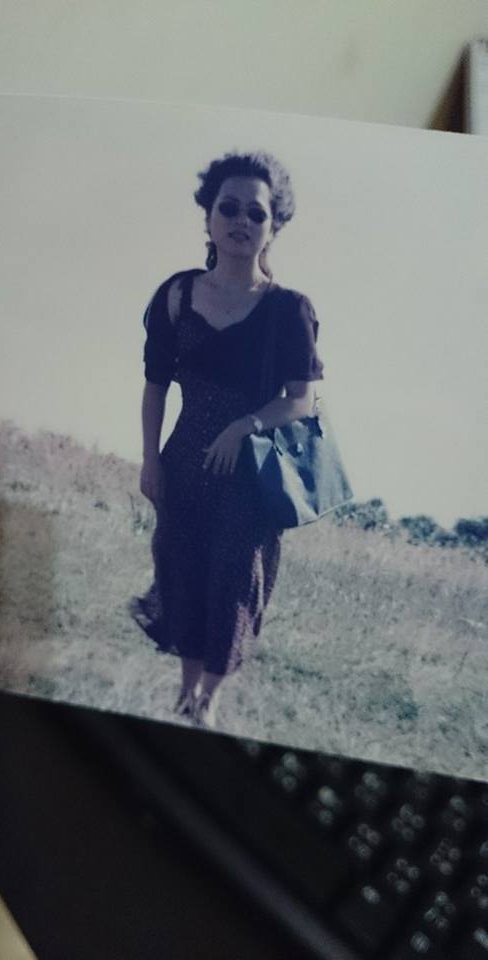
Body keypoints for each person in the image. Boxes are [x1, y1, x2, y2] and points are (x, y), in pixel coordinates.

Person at [131, 150, 324, 729]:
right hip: (184, 460)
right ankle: (185, 693)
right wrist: (150, 460)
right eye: (230, 208)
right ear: (209, 216)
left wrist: (244, 426)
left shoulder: (289, 310)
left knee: (234, 584)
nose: (242, 221)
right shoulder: (176, 295)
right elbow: (155, 386)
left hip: (251, 474)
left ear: (274, 227)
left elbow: (302, 399)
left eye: (256, 213)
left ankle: (208, 702)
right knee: (183, 572)